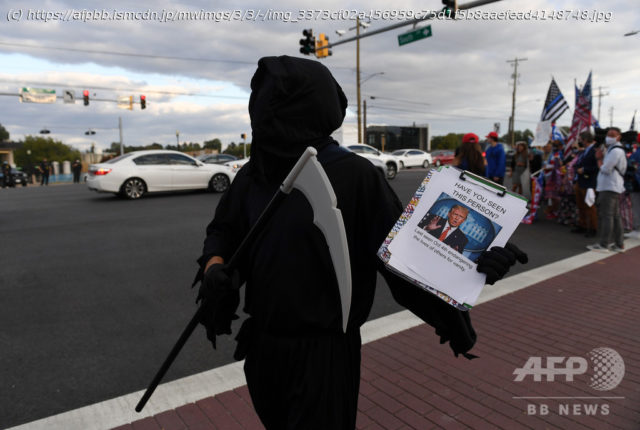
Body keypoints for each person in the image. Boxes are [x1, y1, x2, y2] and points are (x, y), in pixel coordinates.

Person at [194, 56, 527, 430]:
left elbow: (403, 258)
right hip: (262, 349)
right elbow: (223, 231)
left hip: (324, 357)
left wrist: (471, 267)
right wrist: (215, 267)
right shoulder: (254, 175)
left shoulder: (354, 175)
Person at [587, 127, 627, 252]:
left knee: (607, 216)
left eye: (612, 135)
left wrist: (599, 158)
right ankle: (619, 244)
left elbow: (605, 169)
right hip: (611, 186)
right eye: (608, 134)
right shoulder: (612, 149)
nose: (609, 137)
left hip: (610, 186)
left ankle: (604, 244)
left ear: (619, 137)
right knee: (614, 216)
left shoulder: (616, 151)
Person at [573, 131, 599, 237]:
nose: (580, 142)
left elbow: (597, 167)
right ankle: (582, 225)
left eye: (581, 140)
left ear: (586, 140)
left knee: (590, 206)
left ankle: (593, 228)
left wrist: (584, 170)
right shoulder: (583, 151)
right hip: (580, 181)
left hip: (589, 182)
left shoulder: (595, 151)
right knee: (580, 205)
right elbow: (578, 163)